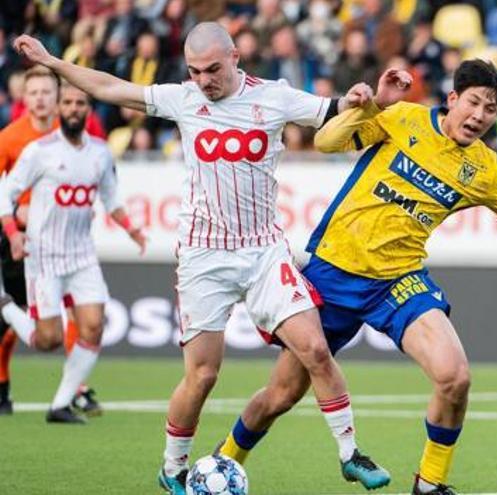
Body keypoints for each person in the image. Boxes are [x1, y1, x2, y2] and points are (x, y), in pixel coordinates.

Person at [215, 62, 497, 495]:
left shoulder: (483, 169)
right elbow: (326, 141)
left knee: (455, 377)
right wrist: (373, 104)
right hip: (333, 273)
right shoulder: (403, 118)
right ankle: (223, 462)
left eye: (490, 109)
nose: (479, 115)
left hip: (399, 281)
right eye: (473, 102)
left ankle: (430, 483)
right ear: (453, 99)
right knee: (281, 395)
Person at [14, 22, 390, 495]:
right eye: (195, 71)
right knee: (203, 375)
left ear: (235, 56)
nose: (204, 80)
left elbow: (334, 109)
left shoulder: (273, 96)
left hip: (263, 250)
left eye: (212, 69)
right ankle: (172, 467)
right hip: (203, 255)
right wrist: (52, 62)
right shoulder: (183, 99)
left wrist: (360, 98)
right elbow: (112, 87)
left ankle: (350, 453)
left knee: (315, 348)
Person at [0, 82, 145, 424]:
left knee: (93, 326)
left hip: (82, 255)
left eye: (80, 102)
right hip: (44, 256)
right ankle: (6, 307)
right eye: (68, 103)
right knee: (47, 340)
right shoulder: (39, 151)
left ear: (88, 109)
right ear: (59, 109)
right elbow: (6, 194)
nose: (74, 108)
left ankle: (61, 403)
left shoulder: (99, 152)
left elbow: (111, 198)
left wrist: (131, 229)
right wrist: (12, 234)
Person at [0, 66, 102, 417]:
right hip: (22, 242)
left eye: (47, 92)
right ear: (24, 99)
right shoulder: (10, 139)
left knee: (83, 314)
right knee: (29, 327)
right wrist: (16, 219)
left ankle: (75, 390)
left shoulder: (75, 139)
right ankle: (2, 385)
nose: (41, 99)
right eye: (35, 93)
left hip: (67, 244)